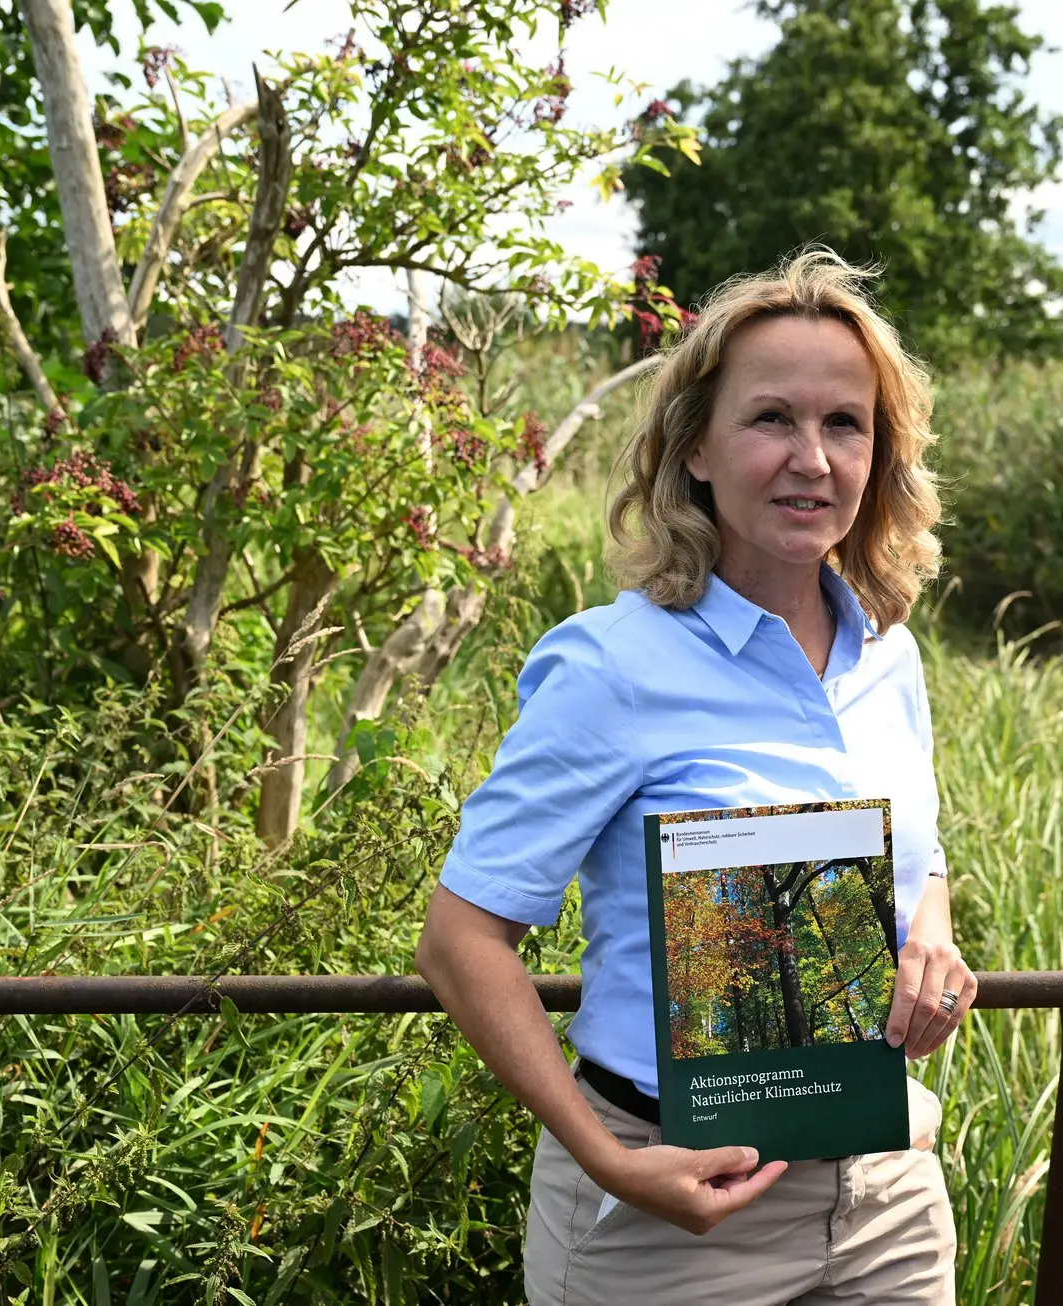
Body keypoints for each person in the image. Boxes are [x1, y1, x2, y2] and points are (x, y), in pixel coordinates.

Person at [414, 249, 976, 1305]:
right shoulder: (611, 665)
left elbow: (918, 846)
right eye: (771, 418)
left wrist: (930, 931)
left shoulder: (887, 654)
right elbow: (460, 940)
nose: (811, 457)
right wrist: (607, 1159)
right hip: (668, 1216)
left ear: (879, 453)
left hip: (884, 1195)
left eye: (844, 424)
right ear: (696, 449)